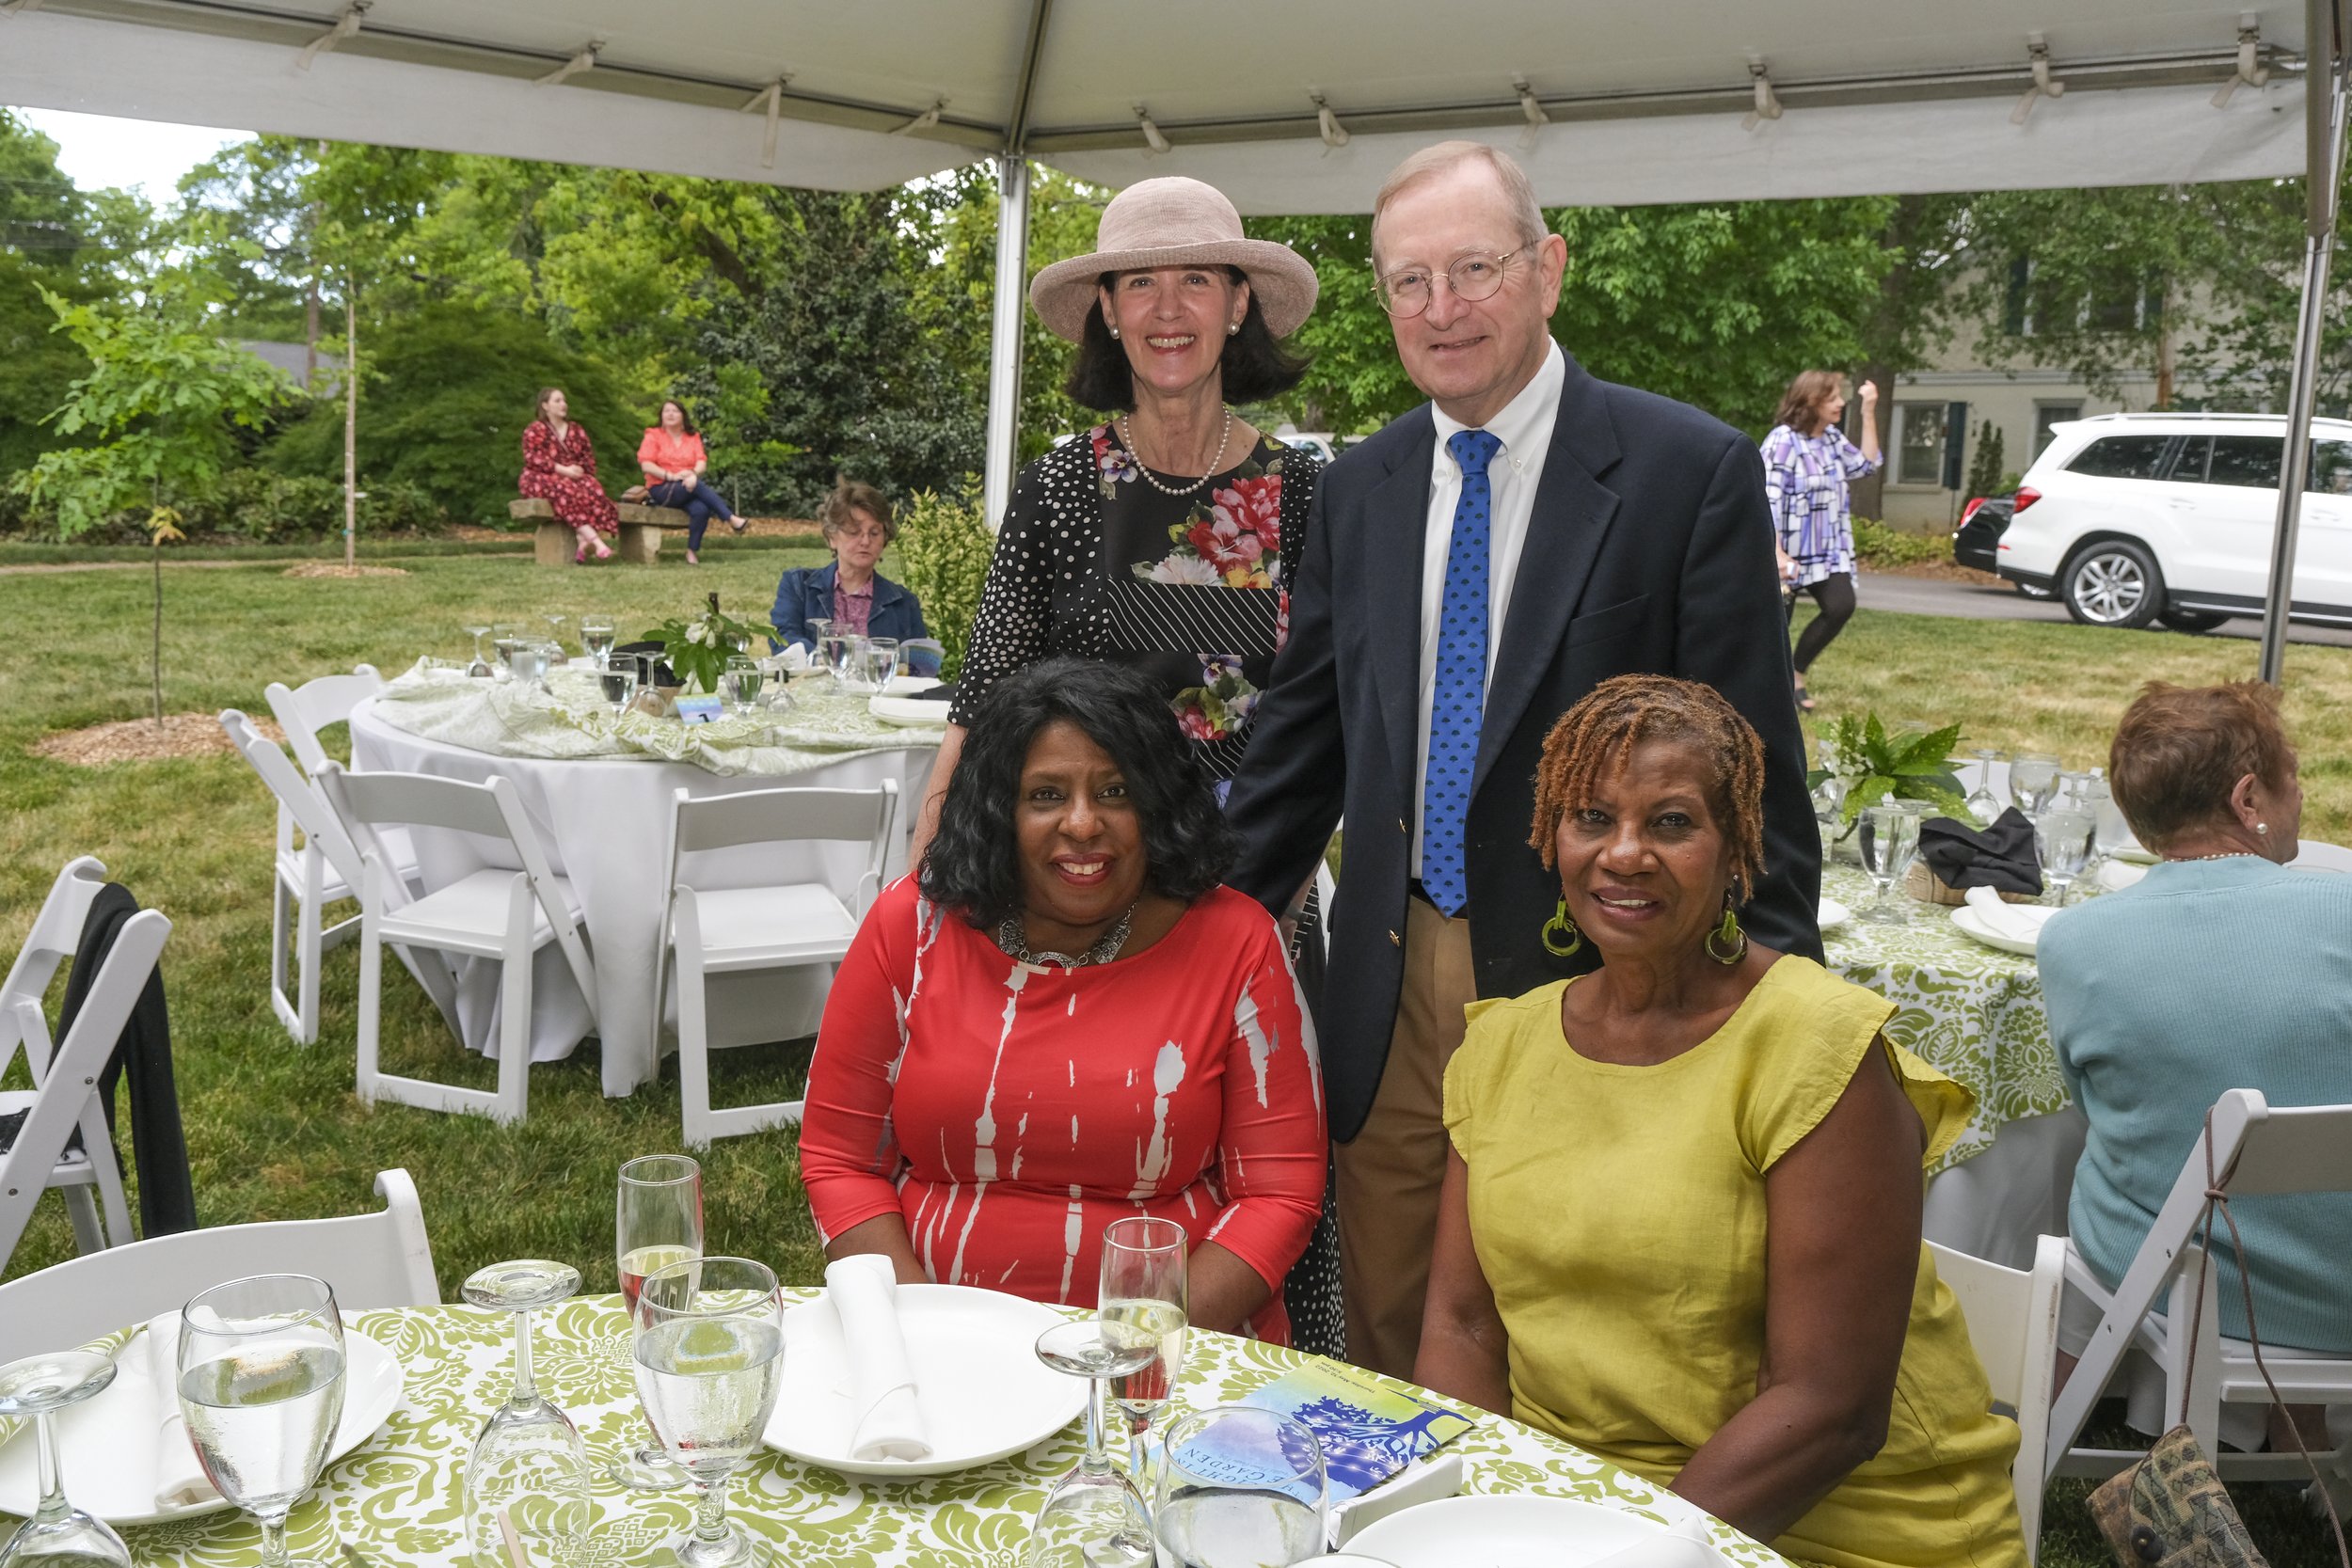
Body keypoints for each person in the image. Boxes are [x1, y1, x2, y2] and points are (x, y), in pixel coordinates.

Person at [1218, 140, 1822, 1380]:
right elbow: (1301, 743)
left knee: (1587, 1315)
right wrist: (1187, 930)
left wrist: (1778, 1022)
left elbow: (1750, 771)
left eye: (1473, 268)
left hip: (1602, 972)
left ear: (1547, 270)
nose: (1442, 309)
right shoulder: (1361, 488)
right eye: (1407, 282)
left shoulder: (1684, 473)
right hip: (1397, 977)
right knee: (1391, 1313)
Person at [1418, 674, 2028, 1568]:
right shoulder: (1502, 1046)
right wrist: (1485, 1516)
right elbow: (1462, 1325)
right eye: (1592, 817)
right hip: (1565, 1507)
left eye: (1670, 822)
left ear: (1737, 847)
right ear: (1551, 840)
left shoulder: (1816, 1049)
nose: (1624, 853)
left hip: (1825, 1522)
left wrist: (1626, 1555)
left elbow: (1830, 1406)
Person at [799, 657, 1326, 1342]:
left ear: (1157, 801)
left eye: (1115, 791)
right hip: (930, 1342)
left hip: (1169, 1349)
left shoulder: (1236, 943)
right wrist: (922, 1332)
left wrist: (1136, 1343)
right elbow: (840, 1160)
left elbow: (1279, 1193)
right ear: (998, 809)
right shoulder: (911, 928)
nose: (1082, 824)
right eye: (1046, 795)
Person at [907, 175, 1322, 858]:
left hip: (1250, 867)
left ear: (1238, 303)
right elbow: (982, 703)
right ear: (1106, 308)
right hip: (1079, 864)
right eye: (1138, 283)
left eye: (1195, 279)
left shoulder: (1304, 493)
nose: (1167, 309)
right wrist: (920, 901)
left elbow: (1322, 731)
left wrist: (1280, 907)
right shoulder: (1058, 488)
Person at [2040, 682, 2352, 1409]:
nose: (2300, 797)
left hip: (2177, 1285)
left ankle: (2054, 1416)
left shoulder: (2073, 941)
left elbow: (2089, 1106)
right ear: (2249, 799)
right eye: (2293, 778)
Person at [1761, 372, 1881, 712]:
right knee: (1774, 629)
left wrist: (1869, 412)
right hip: (1786, 553)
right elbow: (1766, 500)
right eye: (1832, 398)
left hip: (1826, 552)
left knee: (1841, 606)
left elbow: (1866, 466)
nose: (1841, 403)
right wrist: (1775, 552)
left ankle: (1797, 674)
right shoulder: (1782, 441)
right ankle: (1773, 695)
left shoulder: (1830, 439)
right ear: (1811, 401)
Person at [769, 479, 929, 654]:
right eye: (854, 532)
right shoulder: (799, 586)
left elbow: (918, 668)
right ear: (832, 537)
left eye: (874, 533)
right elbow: (782, 639)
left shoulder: (904, 603)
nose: (866, 541)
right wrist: (823, 661)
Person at [518, 387, 617, 563]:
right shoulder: (535, 429)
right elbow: (532, 458)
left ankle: (582, 543)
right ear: (545, 406)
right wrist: (563, 470)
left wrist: (579, 469)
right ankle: (596, 541)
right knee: (564, 489)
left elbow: (587, 457)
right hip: (539, 477)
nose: (563, 404)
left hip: (572, 477)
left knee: (593, 487)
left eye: (564, 401)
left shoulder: (576, 430)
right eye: (557, 401)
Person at [637, 399, 741, 565]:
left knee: (701, 509)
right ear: (662, 416)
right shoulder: (654, 436)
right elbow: (646, 465)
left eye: (675, 411)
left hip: (687, 487)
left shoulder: (693, 438)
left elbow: (701, 462)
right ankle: (730, 518)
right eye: (666, 411)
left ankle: (691, 551)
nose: (670, 414)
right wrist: (671, 476)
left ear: (683, 415)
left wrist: (692, 474)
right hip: (661, 488)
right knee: (697, 485)